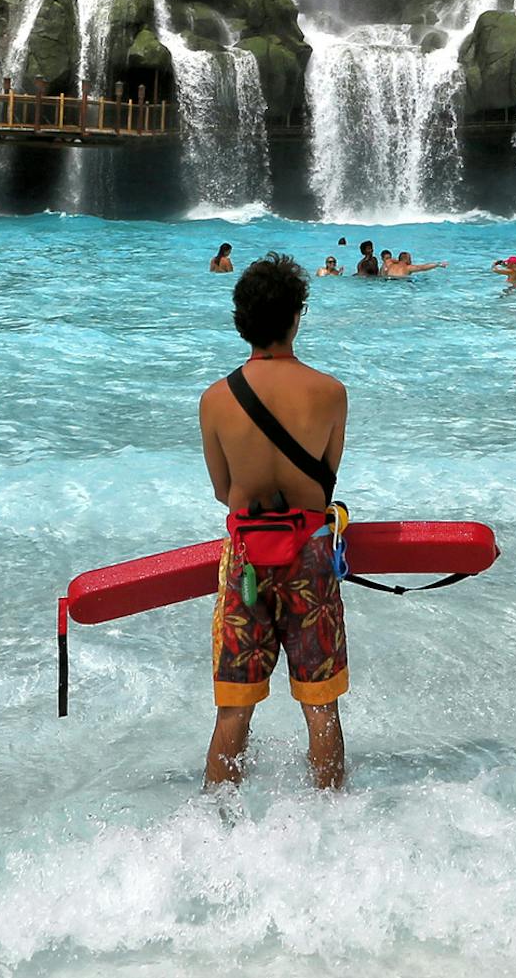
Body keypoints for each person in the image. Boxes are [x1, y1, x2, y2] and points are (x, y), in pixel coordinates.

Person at [198, 253, 349, 791]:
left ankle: (214, 828)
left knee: (233, 711)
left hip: (246, 563)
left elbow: (224, 493)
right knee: (321, 707)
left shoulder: (215, 400)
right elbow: (326, 481)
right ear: (297, 316)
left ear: (241, 320)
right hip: (308, 552)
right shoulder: (331, 392)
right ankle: (334, 823)